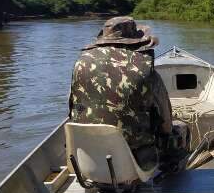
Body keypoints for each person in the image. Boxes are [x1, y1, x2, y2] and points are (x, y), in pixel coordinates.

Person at [68, 16, 174, 170]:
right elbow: (166, 121)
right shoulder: (145, 68)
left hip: (87, 159)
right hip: (136, 162)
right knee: (174, 137)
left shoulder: (81, 64)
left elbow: (71, 108)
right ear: (136, 42)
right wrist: (168, 133)